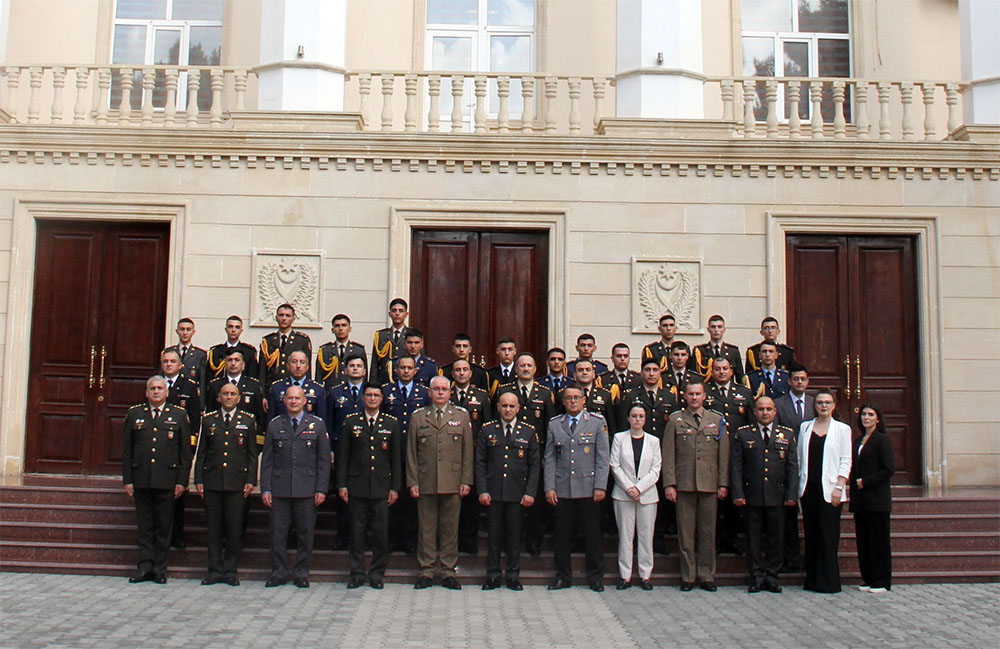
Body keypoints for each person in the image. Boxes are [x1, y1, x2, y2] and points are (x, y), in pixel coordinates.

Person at [122, 376, 191, 585]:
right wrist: (128, 480)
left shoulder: (178, 416)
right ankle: (145, 566)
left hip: (167, 479)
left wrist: (182, 481)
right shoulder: (135, 414)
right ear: (146, 392)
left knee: (163, 526)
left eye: (160, 388)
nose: (156, 392)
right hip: (141, 477)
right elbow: (127, 451)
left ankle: (160, 568)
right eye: (152, 389)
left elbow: (184, 453)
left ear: (166, 392)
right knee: (145, 526)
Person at [407, 376, 474, 590]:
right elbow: (411, 453)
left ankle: (447, 571)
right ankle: (426, 570)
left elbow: (467, 452)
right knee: (426, 528)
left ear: (450, 392)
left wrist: (466, 480)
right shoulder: (418, 417)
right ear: (429, 392)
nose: (440, 393)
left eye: (444, 389)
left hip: (453, 481)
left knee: (450, 528)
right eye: (436, 389)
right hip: (425, 480)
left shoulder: (461, 416)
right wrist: (412, 481)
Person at [261, 385, 331, 588]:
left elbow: (323, 461)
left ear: (304, 401)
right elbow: (267, 461)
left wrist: (321, 489)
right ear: (284, 401)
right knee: (278, 533)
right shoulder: (275, 425)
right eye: (289, 398)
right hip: (280, 487)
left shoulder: (317, 425)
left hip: (307, 488)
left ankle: (301, 572)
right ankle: (278, 572)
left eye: (297, 398)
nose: (293, 401)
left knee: (305, 533)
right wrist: (266, 488)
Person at [662, 381, 729, 592]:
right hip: (684, 484)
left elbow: (723, 455)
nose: (694, 397)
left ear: (704, 396)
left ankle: (706, 575)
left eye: (697, 394)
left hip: (709, 483)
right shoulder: (675, 420)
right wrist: (669, 484)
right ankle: (688, 576)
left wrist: (723, 483)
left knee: (708, 533)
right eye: (690, 394)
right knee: (686, 533)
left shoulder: (716, 420)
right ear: (685, 396)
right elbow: (668, 455)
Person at [545, 384, 610, 592]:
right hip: (563, 487)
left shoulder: (597, 423)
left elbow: (602, 458)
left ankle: (595, 577)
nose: (573, 402)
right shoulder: (555, 424)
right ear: (563, 402)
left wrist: (600, 486)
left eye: (576, 398)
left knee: (592, 535)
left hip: (589, 488)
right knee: (562, 536)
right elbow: (550, 458)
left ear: (584, 400)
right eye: (568, 398)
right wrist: (549, 487)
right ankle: (563, 576)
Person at [730, 397, 798, 593]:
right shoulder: (743, 435)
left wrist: (791, 494)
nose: (765, 413)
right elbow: (736, 467)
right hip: (752, 495)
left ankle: (772, 576)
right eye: (761, 409)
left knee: (776, 538)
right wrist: (738, 493)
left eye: (769, 409)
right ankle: (757, 576)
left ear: (775, 412)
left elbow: (793, 467)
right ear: (755, 412)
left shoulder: (786, 434)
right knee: (753, 538)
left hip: (778, 495)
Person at [337, 383, 401, 589]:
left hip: (382, 487)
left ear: (382, 398)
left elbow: (395, 459)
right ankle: (356, 573)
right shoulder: (351, 421)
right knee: (356, 532)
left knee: (380, 533)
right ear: (363, 398)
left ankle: (376, 573)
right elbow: (343, 456)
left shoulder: (391, 423)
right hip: (357, 486)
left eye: (376, 395)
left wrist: (395, 488)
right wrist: (342, 485)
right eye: (369, 395)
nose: (372, 398)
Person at [194, 382, 257, 586]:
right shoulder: (209, 420)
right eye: (225, 394)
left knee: (233, 529)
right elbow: (202, 453)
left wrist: (250, 480)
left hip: (237, 483)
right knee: (213, 529)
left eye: (233, 394)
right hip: (212, 482)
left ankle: (230, 570)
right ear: (219, 397)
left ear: (239, 398)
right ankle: (213, 570)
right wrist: (199, 480)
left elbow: (251, 455)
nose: (229, 397)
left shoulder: (247, 420)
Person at [475, 392, 540, 591]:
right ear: (498, 407)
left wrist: (530, 492)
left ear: (518, 408)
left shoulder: (528, 432)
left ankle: (513, 575)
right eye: (504, 406)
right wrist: (483, 490)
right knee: (494, 536)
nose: (508, 409)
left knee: (514, 536)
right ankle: (493, 575)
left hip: (517, 493)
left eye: (512, 406)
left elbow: (534, 465)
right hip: (493, 493)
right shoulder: (488, 430)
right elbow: (480, 463)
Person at [497, 352, 556, 557]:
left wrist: (546, 456)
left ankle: (534, 542)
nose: (525, 369)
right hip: (508, 453)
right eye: (521, 365)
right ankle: (509, 541)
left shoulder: (544, 392)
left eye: (529, 365)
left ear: (535, 369)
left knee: (534, 501)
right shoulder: (505, 390)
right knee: (510, 501)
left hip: (535, 455)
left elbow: (550, 426)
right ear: (516, 368)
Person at [797, 389, 852, 594]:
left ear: (834, 405)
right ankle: (812, 579)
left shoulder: (842, 429)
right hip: (809, 488)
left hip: (831, 490)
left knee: (828, 535)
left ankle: (829, 581)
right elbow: (800, 458)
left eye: (828, 402)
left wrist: (839, 486)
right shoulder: (805, 427)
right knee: (811, 534)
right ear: (815, 405)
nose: (823, 406)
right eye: (820, 402)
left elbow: (846, 460)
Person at [609, 404, 661, 591]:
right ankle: (625, 576)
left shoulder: (653, 441)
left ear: (645, 419)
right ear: (628, 418)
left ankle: (645, 575)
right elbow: (614, 465)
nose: (637, 419)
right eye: (634, 416)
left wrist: (639, 488)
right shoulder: (619, 438)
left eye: (641, 416)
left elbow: (656, 469)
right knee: (625, 536)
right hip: (623, 495)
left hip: (647, 495)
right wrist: (629, 487)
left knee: (646, 536)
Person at [382, 355, 430, 554]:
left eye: (409, 368)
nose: (406, 371)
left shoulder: (424, 393)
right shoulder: (386, 391)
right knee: (392, 499)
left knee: (411, 500)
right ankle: (392, 539)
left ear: (415, 371)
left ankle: (410, 540)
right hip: (391, 453)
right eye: (402, 368)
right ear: (396, 371)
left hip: (416, 454)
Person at [849, 403, 895, 593]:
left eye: (870, 415)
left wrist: (866, 482)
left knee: (878, 541)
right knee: (864, 540)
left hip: (877, 499)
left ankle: (881, 580)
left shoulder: (881, 440)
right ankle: (867, 578)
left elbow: (888, 469)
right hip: (861, 501)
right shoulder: (858, 440)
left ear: (878, 418)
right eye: (864, 415)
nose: (866, 418)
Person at [450, 358, 493, 555]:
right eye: (457, 370)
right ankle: (452, 542)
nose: (461, 373)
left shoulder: (481, 396)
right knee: (451, 501)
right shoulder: (446, 394)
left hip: (474, 456)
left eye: (465, 370)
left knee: (471, 503)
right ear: (452, 374)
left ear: (470, 373)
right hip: (450, 457)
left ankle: (470, 542)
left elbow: (487, 427)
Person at [159, 348, 201, 550]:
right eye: (165, 361)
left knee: (178, 494)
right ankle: (161, 536)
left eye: (172, 361)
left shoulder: (189, 387)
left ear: (180, 365)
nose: (168, 364)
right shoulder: (155, 385)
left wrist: (190, 448)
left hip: (179, 448)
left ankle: (177, 535)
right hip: (159, 448)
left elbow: (194, 422)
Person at [326, 353, 368, 551]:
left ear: (365, 370)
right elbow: (329, 424)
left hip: (365, 452)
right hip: (342, 451)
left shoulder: (371, 392)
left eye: (359, 366)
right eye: (351, 366)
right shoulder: (335, 393)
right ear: (345, 370)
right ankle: (341, 537)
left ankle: (362, 539)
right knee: (342, 497)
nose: (355, 369)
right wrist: (330, 451)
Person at [774, 362, 813, 571]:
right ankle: (790, 557)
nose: (799, 382)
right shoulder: (778, 404)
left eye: (803, 379)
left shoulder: (815, 403)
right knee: (787, 515)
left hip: (810, 464)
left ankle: (811, 557)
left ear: (807, 381)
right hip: (786, 464)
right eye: (796, 379)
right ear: (789, 381)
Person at [205, 348, 265, 445]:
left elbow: (259, 418)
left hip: (245, 441)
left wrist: (258, 444)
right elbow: (210, 416)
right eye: (229, 360)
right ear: (225, 364)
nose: (233, 363)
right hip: (219, 441)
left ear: (243, 365)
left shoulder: (253, 386)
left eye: (237, 360)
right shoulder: (215, 386)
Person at [259, 303, 312, 388]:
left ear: (293, 319)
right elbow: (262, 371)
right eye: (281, 315)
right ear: (276, 318)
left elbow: (307, 369)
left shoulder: (302, 340)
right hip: (272, 389)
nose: (284, 318)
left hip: (295, 388)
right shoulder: (268, 341)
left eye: (288, 316)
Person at [268, 351, 327, 426]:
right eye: (294, 362)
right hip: (282, 433)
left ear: (307, 367)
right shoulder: (277, 388)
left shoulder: (318, 389)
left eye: (302, 362)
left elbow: (322, 421)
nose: (298, 366)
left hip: (309, 434)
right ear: (288, 366)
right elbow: (271, 420)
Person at [315, 314, 367, 388]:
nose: (341, 328)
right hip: (330, 395)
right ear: (332, 330)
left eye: (344, 325)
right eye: (337, 326)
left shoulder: (358, 350)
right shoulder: (324, 351)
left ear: (350, 329)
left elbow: (364, 377)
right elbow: (318, 378)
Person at [165, 317, 208, 407]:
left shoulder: (200, 355)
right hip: (171, 395)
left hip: (189, 396)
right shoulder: (169, 352)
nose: (185, 333)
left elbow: (202, 382)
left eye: (188, 329)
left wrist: (201, 405)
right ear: (177, 331)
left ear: (193, 332)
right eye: (182, 329)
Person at [690, 315, 744, 383]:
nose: (716, 330)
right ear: (708, 329)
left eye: (719, 327)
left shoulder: (733, 351)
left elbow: (740, 377)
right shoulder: (699, 351)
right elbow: (693, 376)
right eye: (713, 327)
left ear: (724, 329)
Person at [207, 315, 259, 381]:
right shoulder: (216, 352)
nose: (233, 330)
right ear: (226, 329)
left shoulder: (249, 352)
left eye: (237, 327)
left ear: (241, 330)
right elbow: (209, 378)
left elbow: (253, 377)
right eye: (230, 327)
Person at [370, 298, 409, 384]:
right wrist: (373, 384)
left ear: (406, 314)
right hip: (384, 381)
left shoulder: (412, 335)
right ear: (389, 314)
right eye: (394, 311)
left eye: (401, 311)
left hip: (406, 380)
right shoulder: (381, 335)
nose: (397, 313)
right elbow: (375, 364)